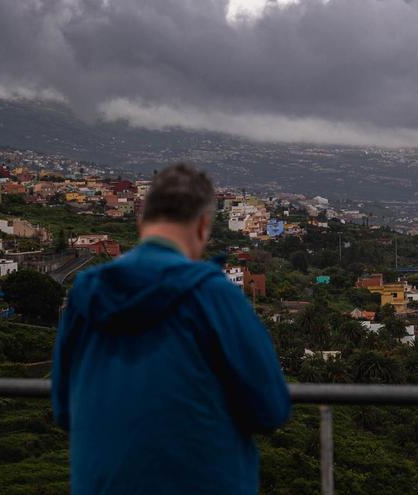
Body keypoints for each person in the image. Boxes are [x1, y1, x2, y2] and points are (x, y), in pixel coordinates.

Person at [52, 163, 290, 494]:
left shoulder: (85, 294)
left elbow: (63, 410)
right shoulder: (213, 295)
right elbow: (271, 409)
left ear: (141, 220)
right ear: (203, 226)